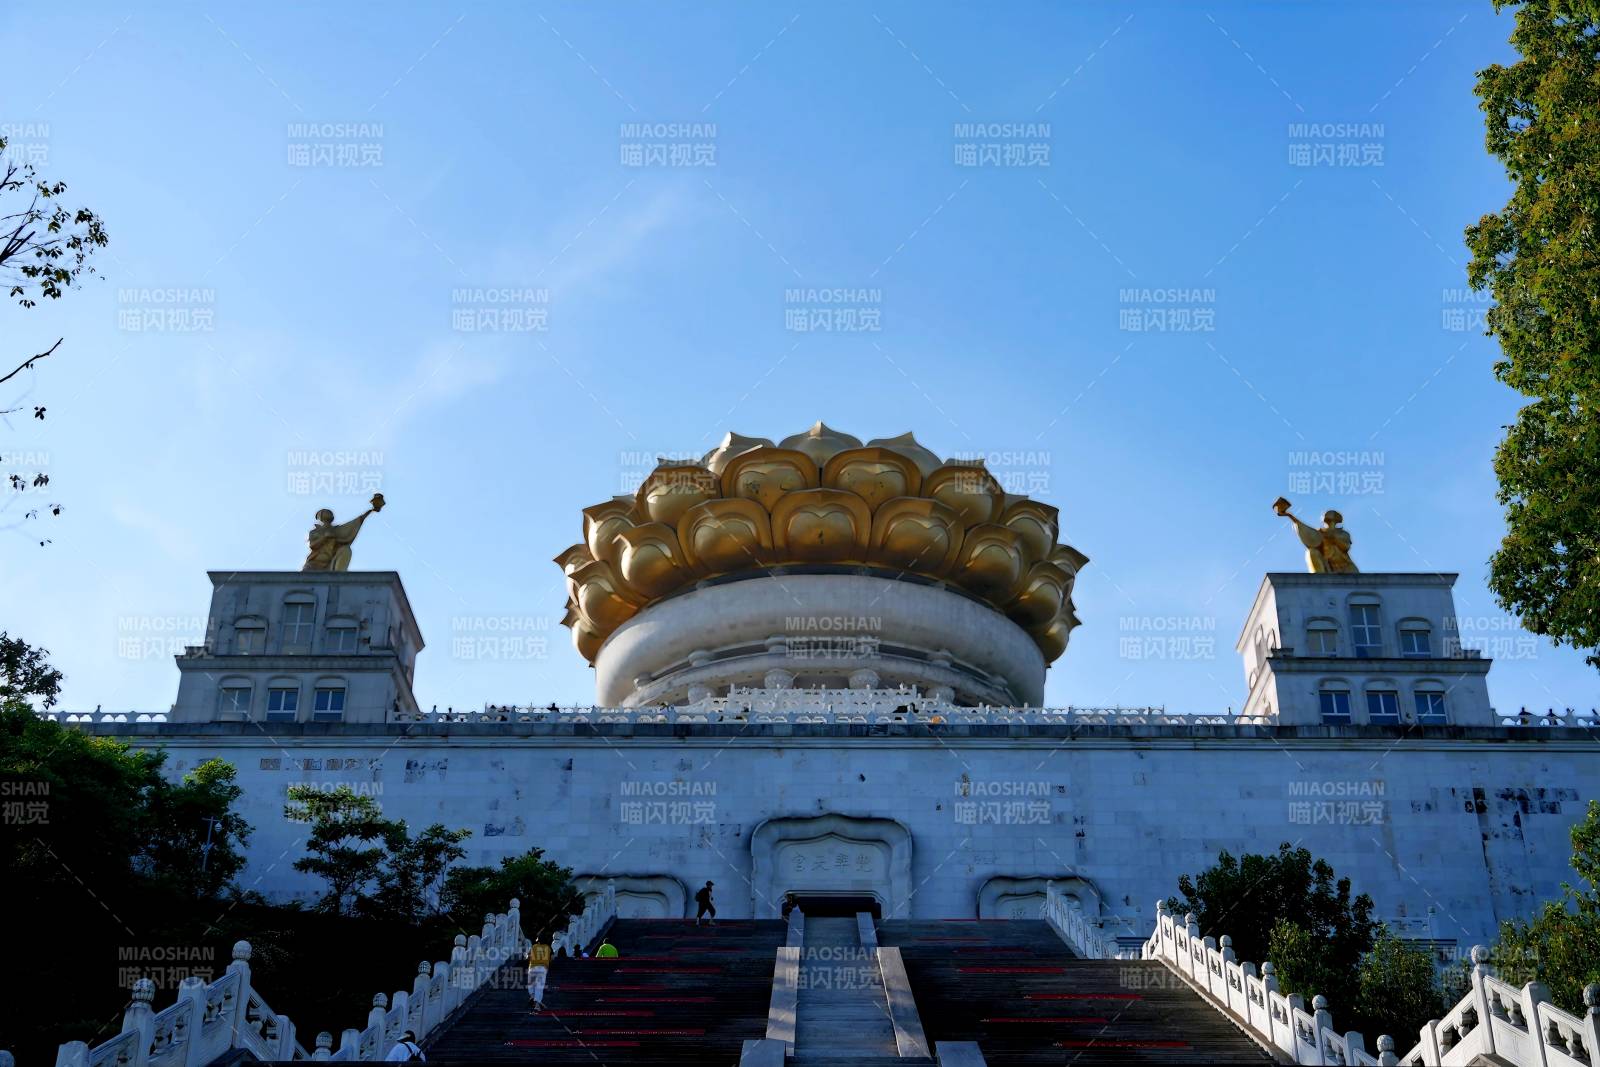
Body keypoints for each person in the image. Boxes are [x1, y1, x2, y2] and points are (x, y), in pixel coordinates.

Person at [526, 932, 552, 1011]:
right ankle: (537, 1004)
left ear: (538, 940)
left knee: (531, 985)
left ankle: (532, 996)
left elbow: (528, 957)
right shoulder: (548, 948)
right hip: (542, 968)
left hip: (532, 967)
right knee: (539, 987)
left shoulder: (534, 946)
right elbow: (550, 959)